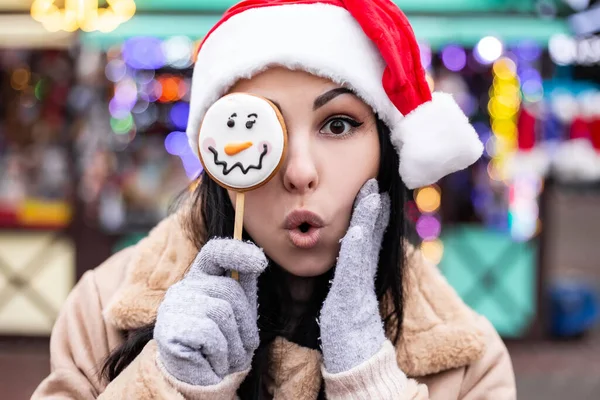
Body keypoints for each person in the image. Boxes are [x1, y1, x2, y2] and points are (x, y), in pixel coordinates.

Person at [33, 0, 516, 398]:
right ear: (215, 153)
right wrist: (171, 386)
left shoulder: (469, 360)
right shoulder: (102, 310)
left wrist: (370, 380)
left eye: (338, 124)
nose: (301, 171)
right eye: (258, 127)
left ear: (386, 152)